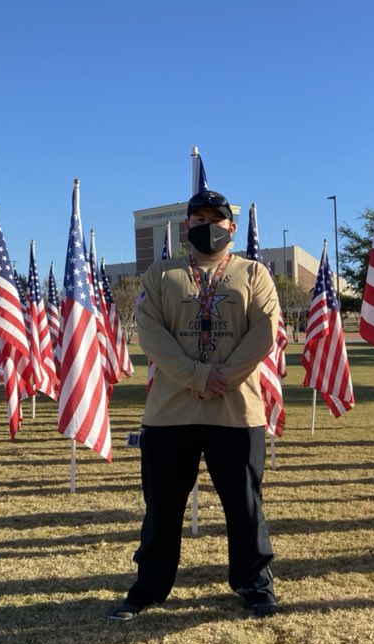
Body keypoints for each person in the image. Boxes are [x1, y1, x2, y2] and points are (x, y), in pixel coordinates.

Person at [109, 189, 281, 621]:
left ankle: (254, 584)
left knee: (244, 506)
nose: (207, 226)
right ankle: (149, 587)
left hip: (237, 412)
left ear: (232, 226)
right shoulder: (161, 274)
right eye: (198, 218)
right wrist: (200, 376)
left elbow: (264, 331)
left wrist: (225, 376)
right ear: (187, 225)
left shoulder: (254, 273)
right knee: (162, 508)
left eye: (215, 218)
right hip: (170, 415)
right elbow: (151, 335)